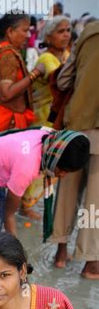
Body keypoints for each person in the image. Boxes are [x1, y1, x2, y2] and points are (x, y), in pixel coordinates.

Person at [0, 128, 90, 237]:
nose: (63, 175)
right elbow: (9, 214)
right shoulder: (26, 167)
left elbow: (8, 132)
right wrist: (16, 254)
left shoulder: (47, 135)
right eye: (62, 169)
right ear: (55, 158)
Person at [51, 19, 99, 279]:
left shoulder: (89, 31)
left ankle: (61, 252)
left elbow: (63, 80)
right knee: (95, 201)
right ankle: (91, 263)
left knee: (67, 190)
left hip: (76, 125)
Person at [21, 16, 72, 217]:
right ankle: (25, 205)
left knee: (53, 163)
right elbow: (61, 82)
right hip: (42, 121)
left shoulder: (67, 56)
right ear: (48, 37)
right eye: (61, 31)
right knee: (39, 163)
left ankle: (35, 202)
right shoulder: (46, 59)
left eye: (68, 30)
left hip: (58, 121)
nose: (66, 34)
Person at [0, 13, 45, 140]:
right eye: (25, 30)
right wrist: (35, 73)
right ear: (10, 31)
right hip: (3, 122)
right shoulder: (8, 55)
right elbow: (6, 93)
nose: (28, 35)